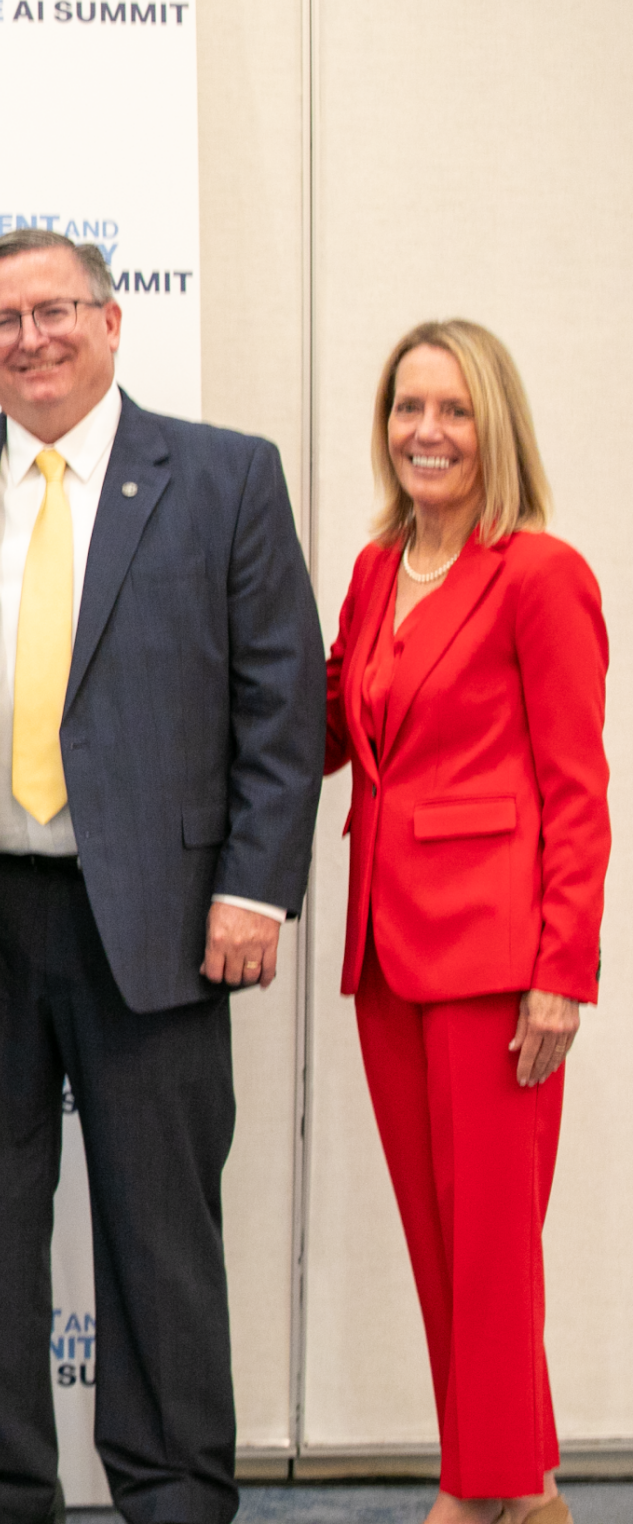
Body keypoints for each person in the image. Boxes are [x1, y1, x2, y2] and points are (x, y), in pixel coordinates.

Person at [0, 228, 325, 1524]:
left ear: (113, 322)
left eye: (55, 311)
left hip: (163, 920)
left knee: (162, 1237)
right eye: (3, 320)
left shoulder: (224, 476)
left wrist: (253, 886)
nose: (32, 338)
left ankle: (173, 1490)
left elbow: (285, 703)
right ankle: (0, 1491)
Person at [322, 321, 605, 1524]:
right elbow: (331, 725)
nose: (425, 432)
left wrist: (563, 973)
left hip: (497, 959)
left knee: (491, 1250)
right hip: (387, 947)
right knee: (443, 1244)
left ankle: (476, 1489)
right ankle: (525, 1483)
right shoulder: (380, 569)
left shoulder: (539, 573)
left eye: (452, 410)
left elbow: (577, 791)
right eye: (405, 408)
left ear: (495, 427)